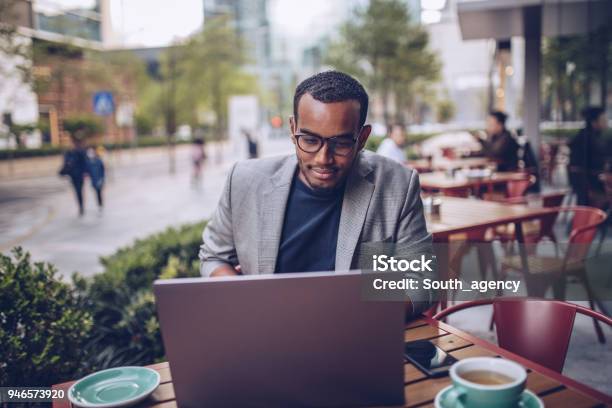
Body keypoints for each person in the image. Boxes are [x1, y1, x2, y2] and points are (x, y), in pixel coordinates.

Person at [199, 71, 435, 317]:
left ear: (362, 138)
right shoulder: (244, 180)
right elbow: (214, 257)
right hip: (262, 330)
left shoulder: (397, 184)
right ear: (293, 129)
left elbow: (422, 281)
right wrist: (246, 297)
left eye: (341, 143)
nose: (323, 159)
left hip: (352, 334)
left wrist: (356, 314)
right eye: (310, 140)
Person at [568, 106, 611, 207]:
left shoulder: (590, 136)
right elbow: (586, 165)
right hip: (590, 183)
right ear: (594, 122)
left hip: (592, 179)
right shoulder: (586, 139)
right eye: (603, 119)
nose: (606, 122)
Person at [59, 137, 89, 216]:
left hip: (80, 175)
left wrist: (85, 172)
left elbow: (85, 162)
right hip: (72, 175)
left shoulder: (80, 151)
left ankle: (81, 206)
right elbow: (65, 164)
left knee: (79, 190)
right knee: (76, 191)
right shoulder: (67, 153)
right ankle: (80, 206)